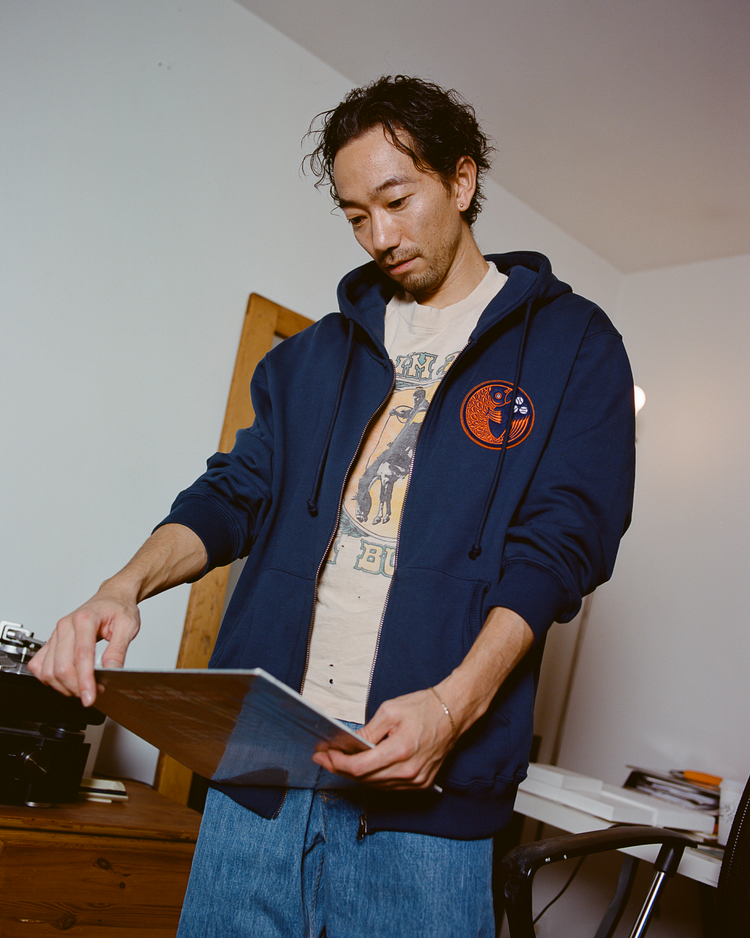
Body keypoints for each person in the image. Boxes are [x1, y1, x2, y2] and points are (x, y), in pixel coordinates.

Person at [30, 75, 635, 936]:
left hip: (426, 801)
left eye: (397, 200)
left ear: (461, 182)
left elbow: (563, 544)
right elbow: (232, 494)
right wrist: (120, 587)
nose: (379, 237)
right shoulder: (307, 360)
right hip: (258, 786)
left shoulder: (575, 345)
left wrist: (454, 710)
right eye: (356, 215)